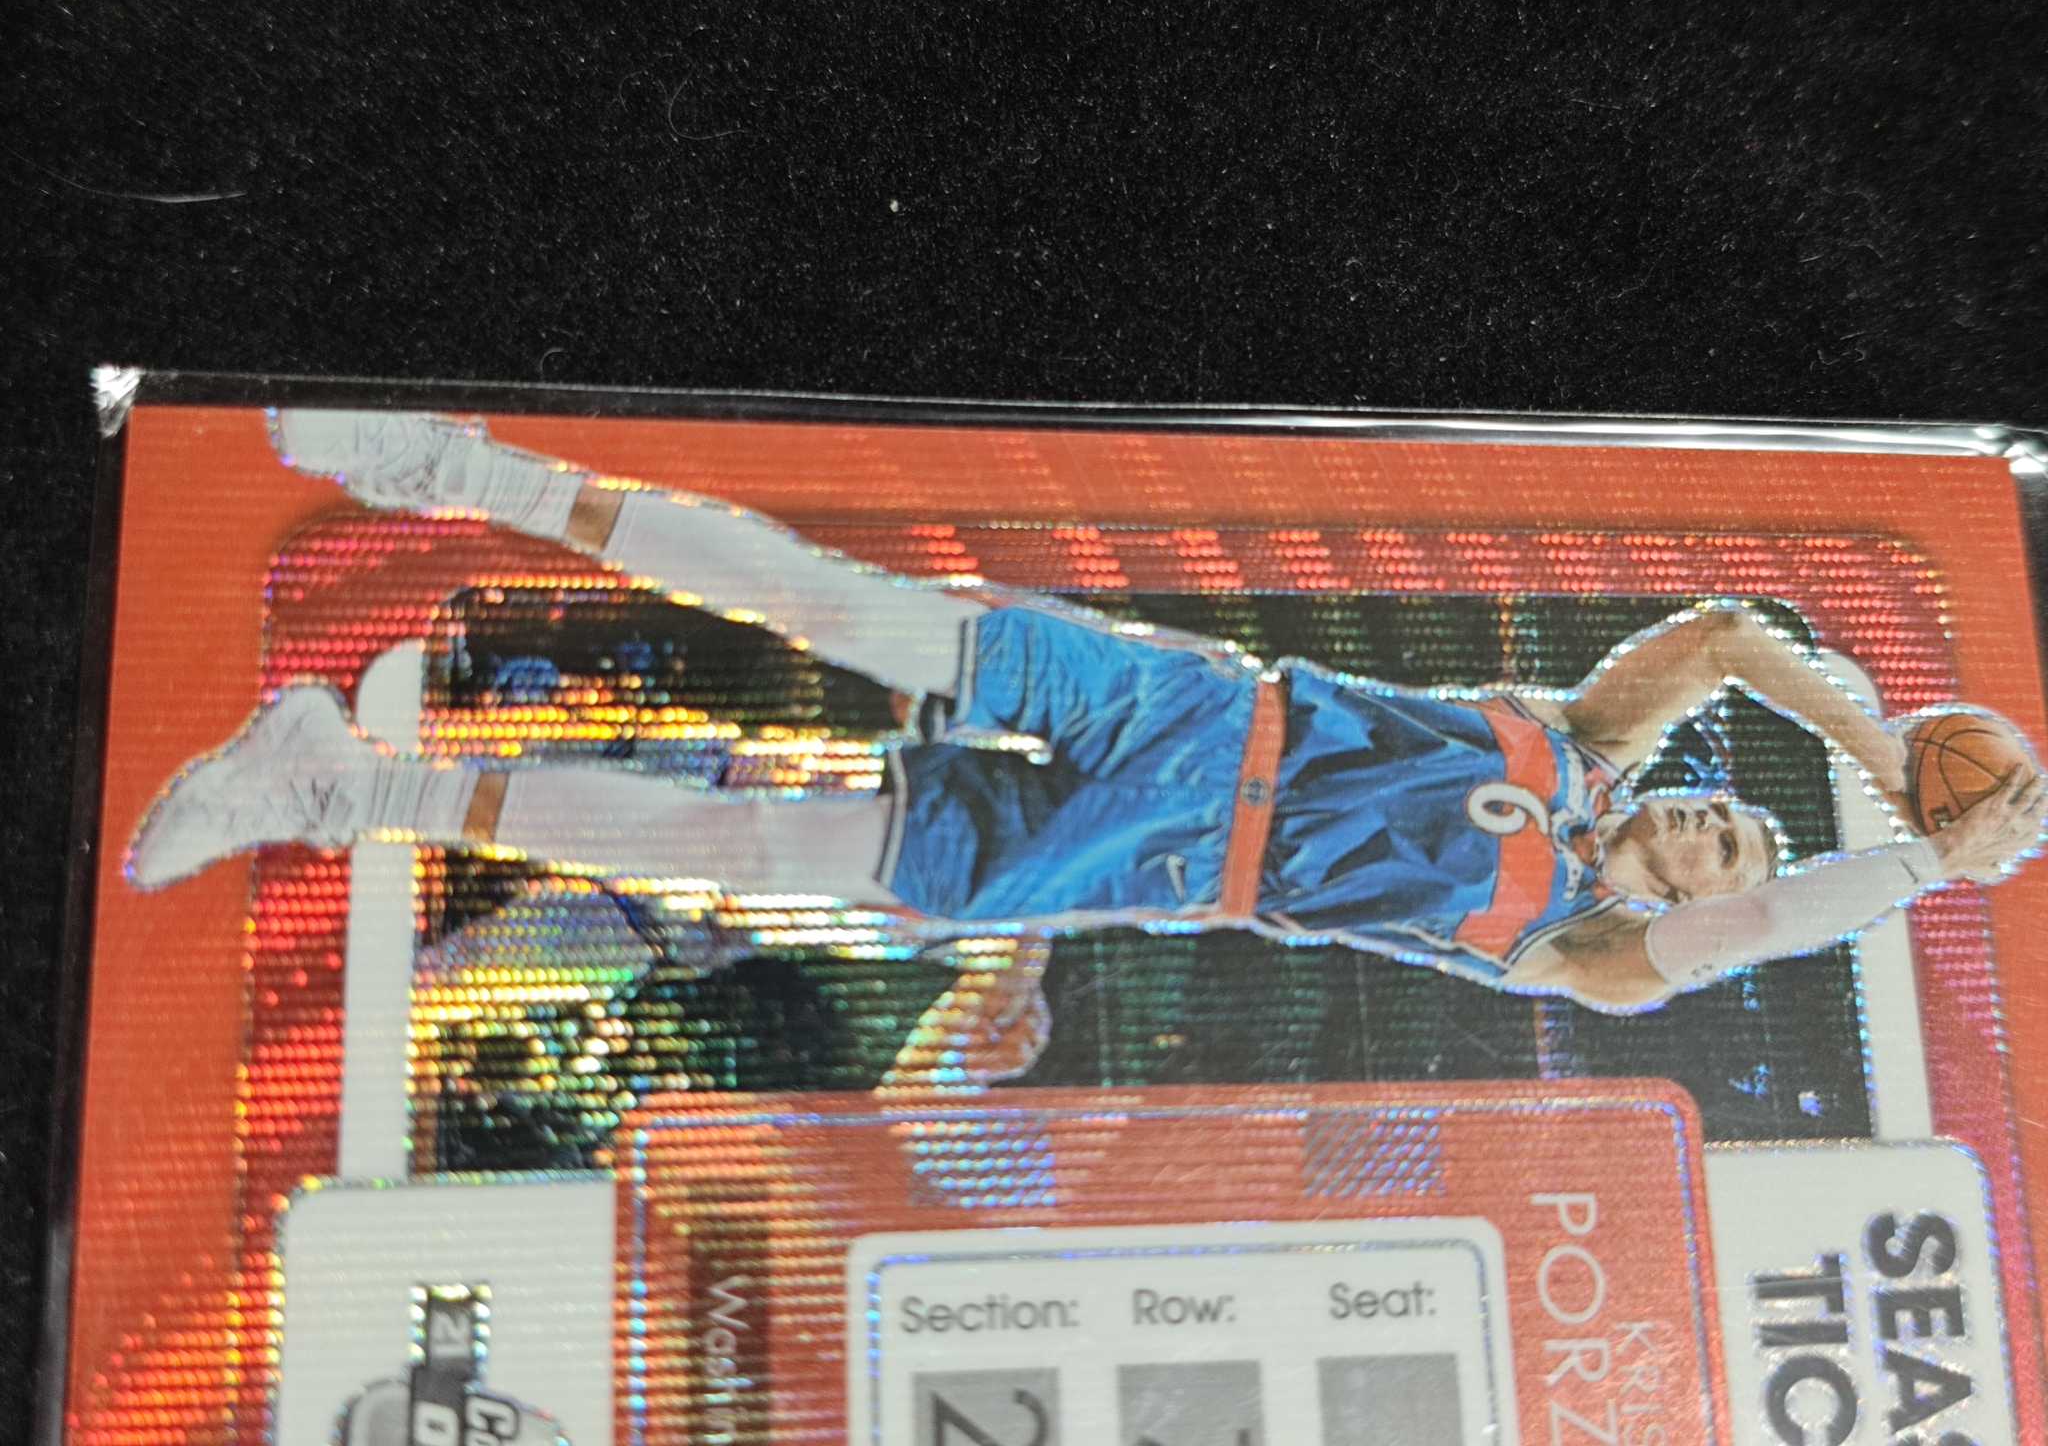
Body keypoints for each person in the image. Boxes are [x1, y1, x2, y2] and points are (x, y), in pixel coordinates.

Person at [129, 410, 2047, 1084]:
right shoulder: (1585, 742)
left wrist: (1913, 864)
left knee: (758, 859)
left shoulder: (1589, 954)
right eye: (1728, 814)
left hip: (1157, 864)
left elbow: (1748, 935)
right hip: (1196, 707)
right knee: (846, 610)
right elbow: (1732, 638)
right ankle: (459, 470)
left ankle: (344, 780)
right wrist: (1883, 738)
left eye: (1739, 850)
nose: (1717, 834)